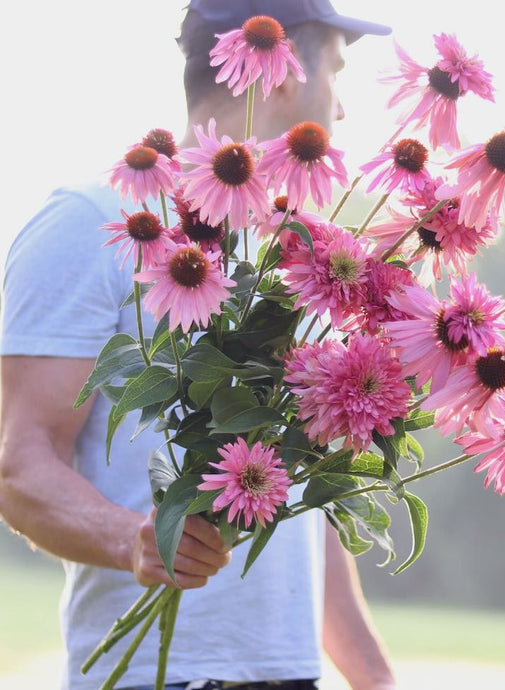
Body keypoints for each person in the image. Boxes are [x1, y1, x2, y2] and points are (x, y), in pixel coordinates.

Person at [0, 1, 398, 689]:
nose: (343, 108)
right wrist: (134, 539)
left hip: (290, 674)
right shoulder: (92, 223)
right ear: (281, 71)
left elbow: (299, 505)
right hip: (158, 679)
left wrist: (376, 679)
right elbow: (20, 464)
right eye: (336, 70)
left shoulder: (295, 250)